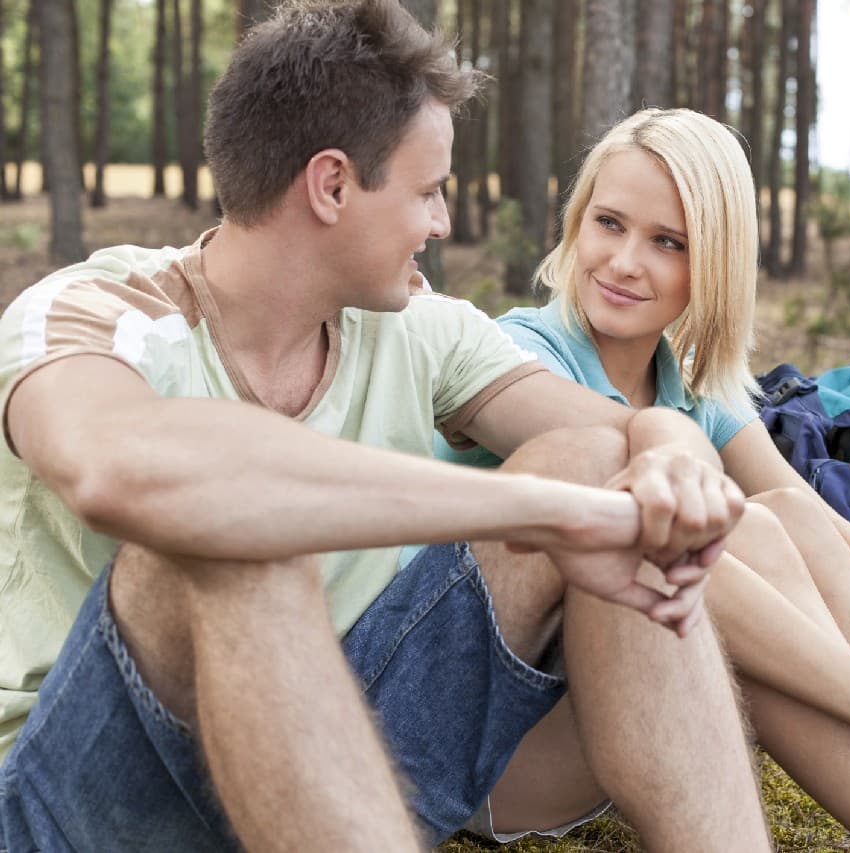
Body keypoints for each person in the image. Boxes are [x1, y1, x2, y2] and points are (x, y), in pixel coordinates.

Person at [0, 6, 776, 853]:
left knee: (593, 460)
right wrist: (541, 511)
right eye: (428, 190)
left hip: (334, 762)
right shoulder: (90, 313)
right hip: (84, 805)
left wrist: (671, 456)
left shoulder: (419, 328)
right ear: (332, 185)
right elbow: (123, 472)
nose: (442, 222)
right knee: (228, 536)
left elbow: (628, 434)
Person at [440, 108, 850, 853]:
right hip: (492, 755)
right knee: (741, 536)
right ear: (577, 223)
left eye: (668, 242)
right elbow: (682, 556)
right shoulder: (521, 358)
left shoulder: (692, 386)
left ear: (715, 262)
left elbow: (813, 519)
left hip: (620, 724)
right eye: (609, 223)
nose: (625, 261)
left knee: (783, 508)